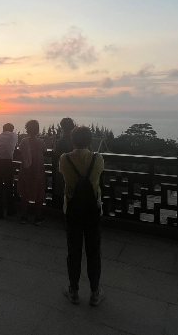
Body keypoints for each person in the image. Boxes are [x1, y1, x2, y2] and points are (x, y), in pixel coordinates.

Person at [59, 126, 106, 306]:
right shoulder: (98, 158)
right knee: (94, 252)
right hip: (93, 211)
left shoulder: (65, 159)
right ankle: (95, 293)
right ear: (90, 141)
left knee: (74, 251)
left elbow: (63, 175)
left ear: (72, 141)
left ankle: (74, 291)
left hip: (72, 210)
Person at [18, 120, 47, 225]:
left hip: (25, 169)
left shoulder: (23, 141)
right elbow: (45, 150)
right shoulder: (41, 142)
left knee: (24, 192)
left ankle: (24, 217)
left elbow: (20, 150)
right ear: (37, 130)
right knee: (39, 192)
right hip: (38, 169)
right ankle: (37, 217)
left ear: (27, 129)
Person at [0, 123, 18, 219]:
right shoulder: (13, 136)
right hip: (7, 162)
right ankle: (10, 210)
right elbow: (14, 146)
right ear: (12, 129)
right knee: (9, 186)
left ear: (3, 129)